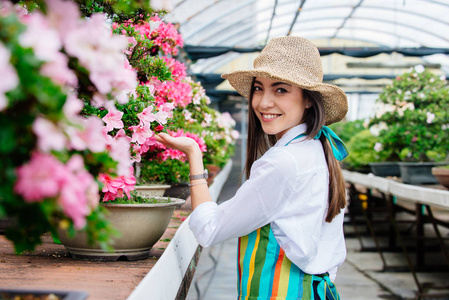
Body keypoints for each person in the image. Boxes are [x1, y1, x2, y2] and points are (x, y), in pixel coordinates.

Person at [156, 36, 349, 300]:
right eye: (259, 88)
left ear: (308, 99)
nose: (263, 103)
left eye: (281, 90)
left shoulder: (284, 162)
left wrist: (193, 153)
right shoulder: (319, 149)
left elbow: (209, 230)